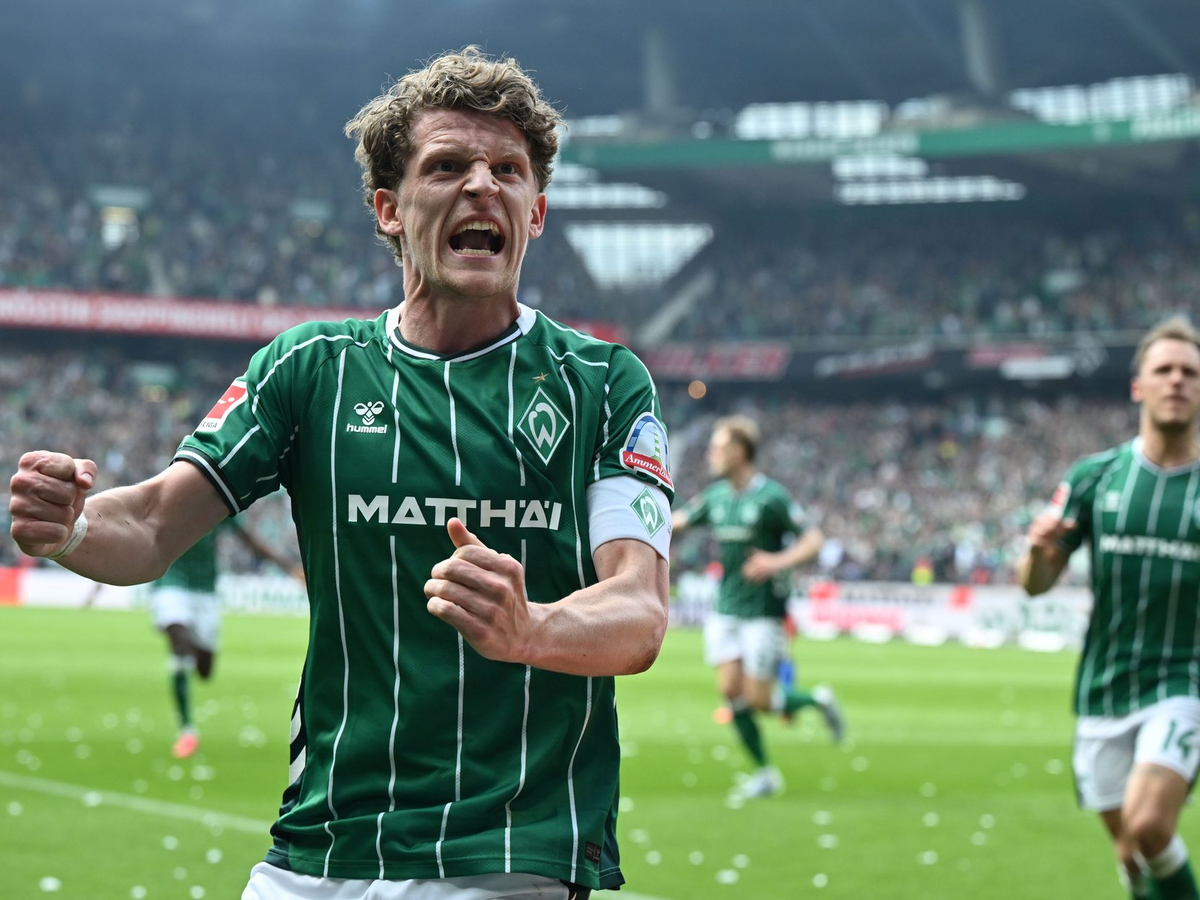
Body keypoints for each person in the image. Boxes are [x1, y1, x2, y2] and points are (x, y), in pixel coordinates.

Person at [9, 47, 673, 900]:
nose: (483, 185)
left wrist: (530, 627)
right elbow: (150, 524)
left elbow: (639, 613)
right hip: (319, 847)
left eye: (508, 170)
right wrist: (73, 525)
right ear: (389, 209)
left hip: (505, 852)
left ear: (535, 212)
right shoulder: (310, 368)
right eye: (448, 166)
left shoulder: (603, 382)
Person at [1020, 317, 1200, 900]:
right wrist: (1038, 551)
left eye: (1190, 372)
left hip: (1183, 681)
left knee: (1150, 826)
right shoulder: (1095, 477)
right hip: (1103, 685)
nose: (1177, 380)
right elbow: (1036, 585)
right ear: (1138, 386)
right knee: (1133, 853)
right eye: (1164, 370)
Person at [672, 414, 843, 800]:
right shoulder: (716, 497)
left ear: (739, 451)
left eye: (718, 447)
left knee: (760, 700)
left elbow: (813, 540)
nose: (711, 454)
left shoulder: (771, 498)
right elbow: (679, 521)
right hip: (726, 609)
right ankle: (765, 773)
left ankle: (818, 699)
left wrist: (776, 562)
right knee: (731, 693)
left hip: (763, 614)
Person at [153, 517, 304, 759]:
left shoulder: (216, 506)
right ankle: (187, 731)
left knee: (205, 670)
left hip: (205, 591)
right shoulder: (172, 502)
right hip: (172, 583)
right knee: (178, 638)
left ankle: (186, 647)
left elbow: (250, 541)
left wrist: (289, 568)